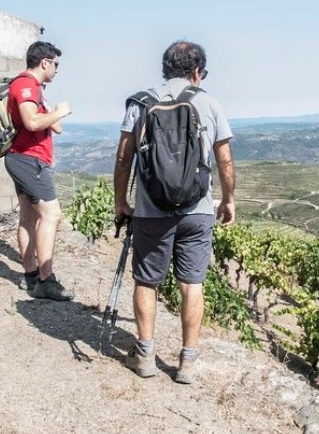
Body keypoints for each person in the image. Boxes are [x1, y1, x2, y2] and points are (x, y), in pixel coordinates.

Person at [113, 41, 236, 384]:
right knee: (192, 284)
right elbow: (224, 159)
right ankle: (188, 362)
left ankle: (146, 355)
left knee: (147, 281)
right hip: (197, 210)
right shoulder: (209, 102)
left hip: (151, 210)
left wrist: (121, 201)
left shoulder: (140, 103)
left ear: (165, 68)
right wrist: (228, 199)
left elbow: (124, 158)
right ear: (197, 71)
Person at [4, 41, 74, 301]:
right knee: (52, 215)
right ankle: (46, 279)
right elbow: (32, 122)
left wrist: (55, 113)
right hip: (28, 160)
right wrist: (60, 111)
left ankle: (31, 276)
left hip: (24, 159)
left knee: (29, 218)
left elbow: (55, 128)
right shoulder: (25, 85)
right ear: (44, 62)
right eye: (56, 64)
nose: (57, 70)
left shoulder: (37, 89)